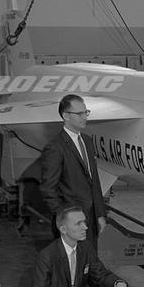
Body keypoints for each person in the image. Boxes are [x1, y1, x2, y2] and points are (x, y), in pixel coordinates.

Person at [39, 94, 107, 245]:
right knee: (71, 259)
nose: (85, 117)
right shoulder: (55, 147)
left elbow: (94, 181)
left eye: (86, 112)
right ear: (66, 116)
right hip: (71, 224)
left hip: (90, 219)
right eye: (79, 113)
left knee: (89, 256)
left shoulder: (87, 141)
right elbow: (48, 189)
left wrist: (100, 214)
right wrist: (66, 218)